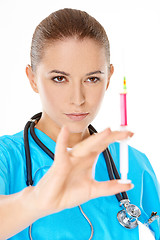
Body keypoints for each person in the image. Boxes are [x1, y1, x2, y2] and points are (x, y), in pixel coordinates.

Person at [0, 8, 159, 240]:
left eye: (92, 78)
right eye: (59, 78)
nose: (78, 98)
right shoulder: (6, 158)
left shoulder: (133, 163)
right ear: (32, 78)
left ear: (109, 78)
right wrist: (36, 202)